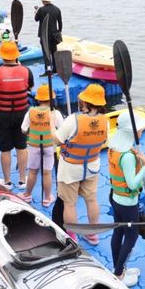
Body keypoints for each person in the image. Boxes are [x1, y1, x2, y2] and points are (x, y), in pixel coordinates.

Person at [50, 84, 108, 244]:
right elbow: (103, 140)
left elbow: (56, 140)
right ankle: (92, 234)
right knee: (91, 199)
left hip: (70, 168)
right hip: (91, 166)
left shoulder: (73, 119)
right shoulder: (105, 121)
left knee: (69, 203)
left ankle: (72, 235)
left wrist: (50, 123)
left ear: (86, 102)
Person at [108, 112, 145, 287]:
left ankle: (118, 268)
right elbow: (132, 185)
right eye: (139, 128)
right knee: (131, 237)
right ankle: (118, 273)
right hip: (128, 202)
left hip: (115, 198)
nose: (142, 130)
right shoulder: (129, 156)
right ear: (130, 131)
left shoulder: (113, 148)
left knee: (118, 231)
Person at [0, 41, 33, 189]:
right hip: (22, 114)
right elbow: (30, 88)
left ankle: (7, 181)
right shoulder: (26, 71)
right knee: (22, 147)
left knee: (5, 149)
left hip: (2, 114)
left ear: (1, 56)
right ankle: (22, 180)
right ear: (16, 56)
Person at [18, 84, 63, 206]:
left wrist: (32, 131)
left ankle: (27, 195)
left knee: (32, 172)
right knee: (47, 173)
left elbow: (23, 129)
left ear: (38, 99)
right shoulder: (56, 114)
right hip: (49, 147)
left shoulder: (30, 112)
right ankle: (47, 198)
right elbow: (62, 130)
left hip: (34, 146)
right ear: (52, 99)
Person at [34, 0, 62, 73]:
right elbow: (60, 22)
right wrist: (59, 32)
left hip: (44, 34)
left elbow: (36, 19)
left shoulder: (41, 9)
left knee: (46, 52)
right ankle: (56, 70)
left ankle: (48, 70)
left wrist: (36, 12)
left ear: (42, 1)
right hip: (54, 34)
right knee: (54, 52)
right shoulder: (57, 9)